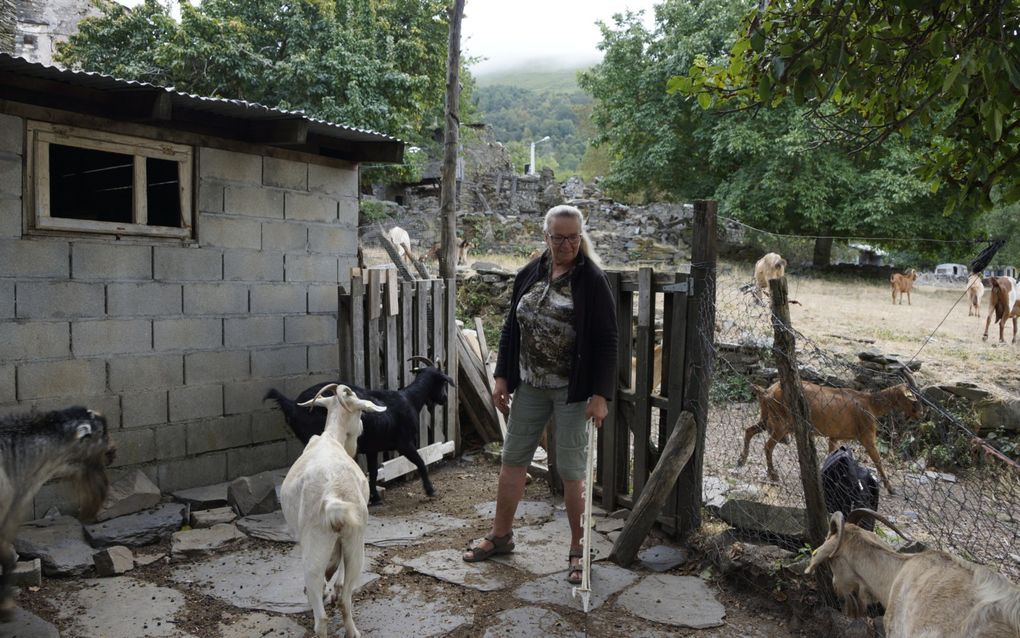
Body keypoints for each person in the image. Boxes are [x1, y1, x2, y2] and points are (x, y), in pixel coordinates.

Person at [462, 204, 618, 585]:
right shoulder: (530, 273)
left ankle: (579, 548)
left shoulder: (592, 280)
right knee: (513, 460)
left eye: (573, 236)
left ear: (581, 237)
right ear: (545, 237)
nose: (566, 244)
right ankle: (501, 537)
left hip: (572, 391)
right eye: (558, 236)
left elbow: (608, 342)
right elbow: (510, 329)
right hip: (529, 385)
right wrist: (502, 376)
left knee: (572, 471)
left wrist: (601, 395)